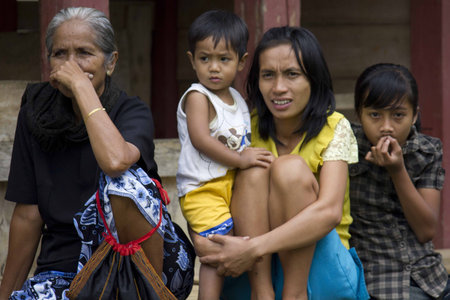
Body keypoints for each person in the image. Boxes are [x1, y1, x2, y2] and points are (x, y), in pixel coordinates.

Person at [0, 7, 194, 300]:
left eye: (84, 53)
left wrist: (81, 86)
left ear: (111, 62)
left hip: (137, 267)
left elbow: (115, 162)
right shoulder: (36, 116)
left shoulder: (132, 111)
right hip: (63, 269)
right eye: (60, 54)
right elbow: (28, 215)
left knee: (123, 184)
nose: (71, 64)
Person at [197, 26, 369, 300]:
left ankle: (294, 294)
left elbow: (329, 212)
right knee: (253, 169)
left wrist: (254, 248)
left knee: (289, 168)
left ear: (313, 78)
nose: (278, 88)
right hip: (254, 273)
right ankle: (262, 294)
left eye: (292, 74)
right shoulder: (243, 128)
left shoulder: (334, 126)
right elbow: (210, 194)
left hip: (321, 269)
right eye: (268, 75)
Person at [176, 10, 272, 299]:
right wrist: (243, 160)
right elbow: (201, 139)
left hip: (229, 185)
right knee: (216, 249)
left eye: (224, 59)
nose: (213, 68)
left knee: (237, 244)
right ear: (192, 60)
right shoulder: (197, 97)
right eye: (205, 59)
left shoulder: (239, 100)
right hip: (202, 188)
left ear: (242, 62)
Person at [348, 63, 450, 299]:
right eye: (375, 115)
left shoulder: (427, 151)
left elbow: (426, 231)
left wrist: (398, 171)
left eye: (398, 115)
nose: (386, 127)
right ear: (358, 114)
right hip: (376, 278)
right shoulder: (345, 145)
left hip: (428, 276)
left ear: (414, 115)